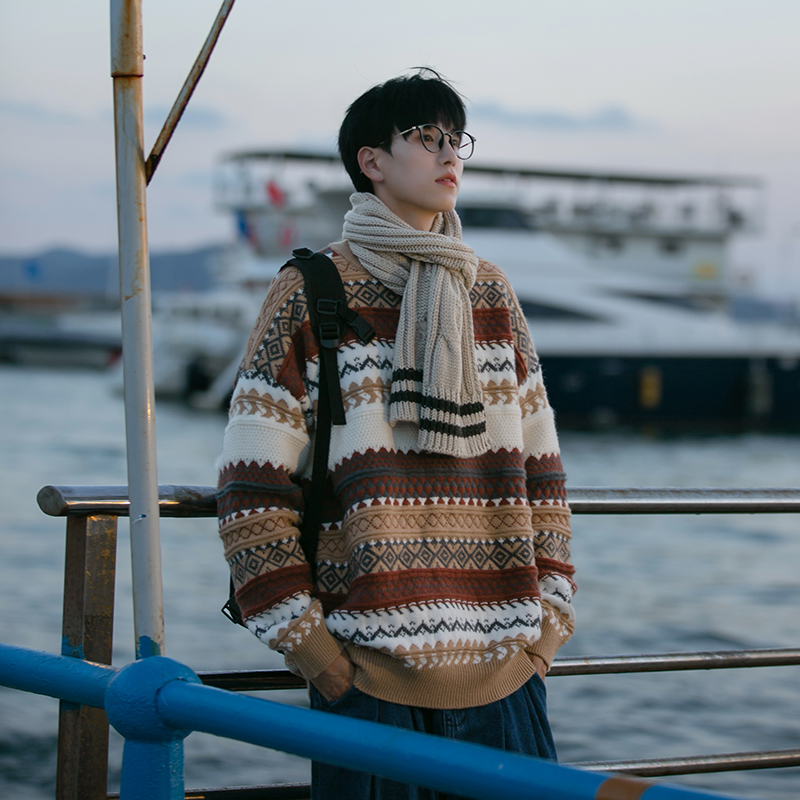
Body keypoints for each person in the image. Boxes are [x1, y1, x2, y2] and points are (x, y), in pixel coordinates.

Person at [216, 69, 576, 799]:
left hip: (507, 675)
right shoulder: (312, 290)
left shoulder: (488, 290)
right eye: (425, 136)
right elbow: (251, 488)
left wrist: (548, 628)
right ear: (371, 161)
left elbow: (541, 471)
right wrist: (316, 655)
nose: (448, 154)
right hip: (368, 680)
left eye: (456, 139)